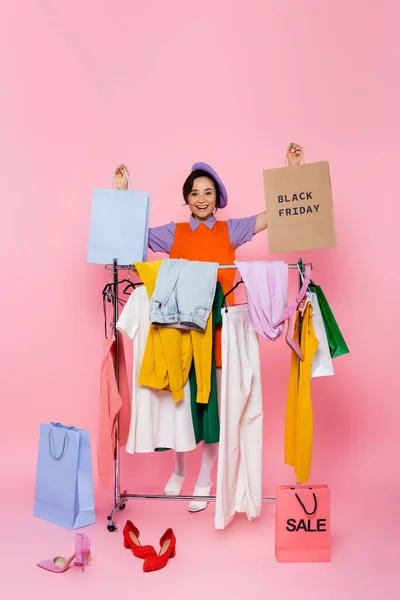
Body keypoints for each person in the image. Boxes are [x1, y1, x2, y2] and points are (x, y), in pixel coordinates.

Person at [113, 148, 302, 512]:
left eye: (208, 193)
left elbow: (274, 215)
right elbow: (131, 232)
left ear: (218, 199)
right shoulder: (174, 233)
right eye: (195, 193)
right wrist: (123, 192)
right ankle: (180, 470)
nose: (202, 199)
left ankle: (205, 478)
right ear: (186, 198)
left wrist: (291, 173)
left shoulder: (233, 230)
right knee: (178, 406)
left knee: (211, 409)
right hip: (179, 333)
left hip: (217, 333)